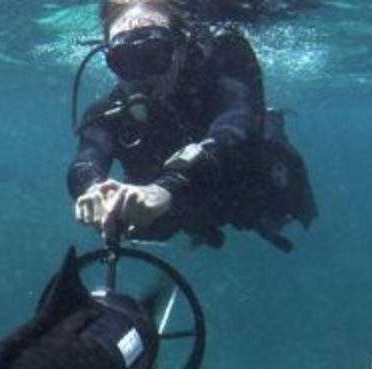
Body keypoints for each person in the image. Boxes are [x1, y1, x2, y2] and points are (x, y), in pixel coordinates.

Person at [69, 0, 316, 250]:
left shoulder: (223, 81)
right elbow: (87, 159)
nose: (140, 74)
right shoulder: (108, 112)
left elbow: (235, 126)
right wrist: (93, 189)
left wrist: (166, 187)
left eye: (153, 55)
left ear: (181, 48)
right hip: (189, 206)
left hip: (245, 187)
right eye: (124, 60)